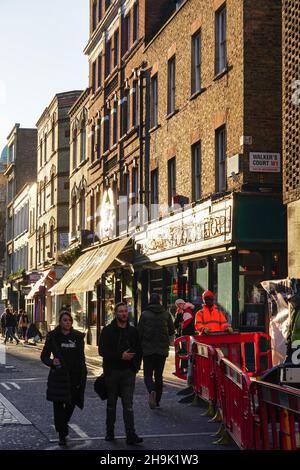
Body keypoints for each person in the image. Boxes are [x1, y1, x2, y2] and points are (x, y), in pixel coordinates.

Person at [99, 302, 143, 445]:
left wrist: (135, 367)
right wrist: (120, 356)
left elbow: (139, 350)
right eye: (121, 311)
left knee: (128, 405)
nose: (124, 314)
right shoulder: (107, 330)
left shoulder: (133, 331)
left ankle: (130, 434)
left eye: (125, 311)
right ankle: (109, 432)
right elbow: (102, 351)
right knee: (111, 404)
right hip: (112, 372)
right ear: (115, 314)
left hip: (128, 372)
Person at [41, 311, 87, 446]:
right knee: (58, 405)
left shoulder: (77, 337)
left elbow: (81, 357)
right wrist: (51, 362)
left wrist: (83, 372)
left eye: (69, 320)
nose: (67, 322)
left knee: (72, 402)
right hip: (59, 376)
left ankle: (62, 425)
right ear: (60, 322)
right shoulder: (53, 337)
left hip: (74, 376)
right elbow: (44, 356)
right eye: (65, 320)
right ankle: (62, 434)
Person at [138, 293, 175, 410]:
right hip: (162, 350)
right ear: (159, 301)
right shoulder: (166, 314)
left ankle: (151, 390)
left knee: (147, 375)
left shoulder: (144, 315)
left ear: (150, 301)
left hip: (148, 350)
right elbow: (171, 330)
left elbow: (139, 332)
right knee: (159, 375)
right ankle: (157, 401)